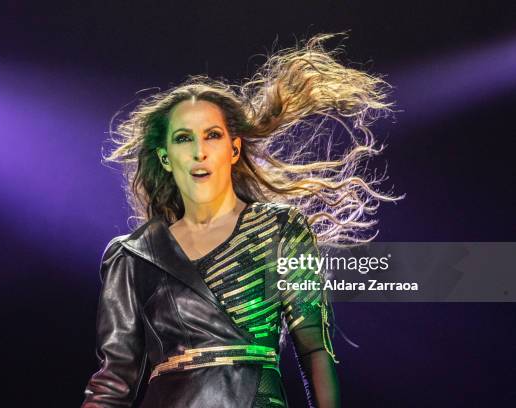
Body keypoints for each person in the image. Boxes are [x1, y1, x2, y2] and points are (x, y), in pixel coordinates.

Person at [81, 32, 402, 408]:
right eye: (184, 138)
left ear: (234, 149)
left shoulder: (279, 230)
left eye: (212, 135)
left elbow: (314, 347)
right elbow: (114, 381)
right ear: (166, 158)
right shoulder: (133, 256)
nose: (200, 151)